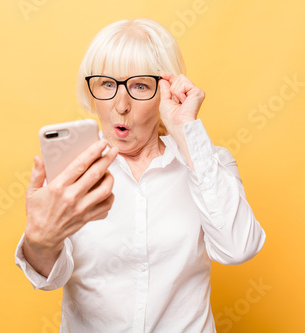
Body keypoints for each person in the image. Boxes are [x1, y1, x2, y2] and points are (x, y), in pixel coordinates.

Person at [14, 18, 266, 332]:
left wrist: (185, 131)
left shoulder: (208, 163)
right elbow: (51, 278)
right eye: (108, 84)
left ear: (167, 91)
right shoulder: (69, 175)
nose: (121, 105)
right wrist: (39, 242)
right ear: (91, 92)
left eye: (140, 86)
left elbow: (238, 248)